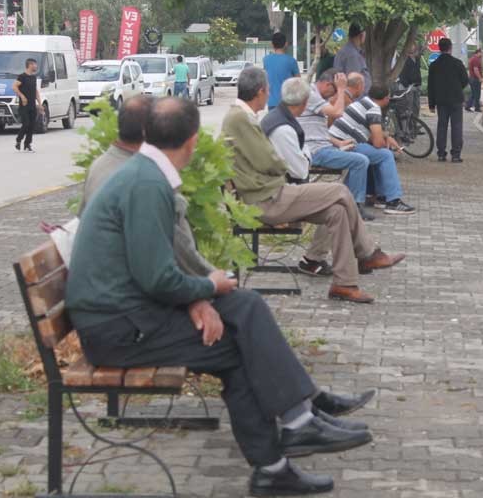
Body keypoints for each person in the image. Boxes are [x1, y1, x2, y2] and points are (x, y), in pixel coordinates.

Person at [67, 97, 375, 497]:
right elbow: (156, 276)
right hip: (118, 330)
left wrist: (201, 298)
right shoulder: (146, 185)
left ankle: (295, 430)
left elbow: (155, 268)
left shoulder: (143, 175)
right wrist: (208, 289)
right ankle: (278, 456)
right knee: (234, 347)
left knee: (244, 306)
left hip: (127, 314)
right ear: (192, 142)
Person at [222, 67, 405, 304]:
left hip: (268, 193)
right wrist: (284, 160)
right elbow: (270, 161)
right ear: (261, 91)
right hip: (265, 199)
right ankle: (368, 253)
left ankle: (344, 284)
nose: (269, 95)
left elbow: (270, 160)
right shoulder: (241, 118)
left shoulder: (248, 117)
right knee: (340, 190)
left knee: (337, 211)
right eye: (268, 91)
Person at [79, 95, 215, 277]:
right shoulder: (145, 178)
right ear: (148, 132)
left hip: (101, 277)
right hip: (126, 287)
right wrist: (211, 284)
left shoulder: (100, 164)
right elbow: (180, 258)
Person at [297, 69, 375, 221]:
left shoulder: (316, 96)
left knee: (358, 155)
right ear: (327, 84)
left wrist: (339, 143)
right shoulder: (310, 95)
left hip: (321, 146)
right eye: (333, 90)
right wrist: (341, 89)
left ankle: (344, 201)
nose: (333, 96)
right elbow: (338, 112)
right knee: (360, 161)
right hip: (314, 151)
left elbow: (318, 130)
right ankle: (355, 207)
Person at [328, 83, 416, 215]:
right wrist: (386, 143)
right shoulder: (373, 109)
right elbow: (377, 142)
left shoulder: (362, 103)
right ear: (386, 98)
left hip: (338, 141)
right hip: (345, 145)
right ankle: (393, 201)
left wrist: (385, 137)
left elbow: (371, 135)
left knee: (375, 153)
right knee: (385, 155)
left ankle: (377, 195)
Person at [427, 38, 468, 163]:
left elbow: (431, 86)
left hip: (441, 101)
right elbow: (465, 80)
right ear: (450, 48)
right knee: (457, 126)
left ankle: (441, 154)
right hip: (456, 99)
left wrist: (431, 104)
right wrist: (457, 88)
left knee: (442, 126)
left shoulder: (434, 65)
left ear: (439, 48)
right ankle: (456, 154)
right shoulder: (458, 63)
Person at [263, 31, 300, 109]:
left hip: (271, 102)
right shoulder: (291, 61)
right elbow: (298, 81)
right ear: (286, 44)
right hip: (288, 102)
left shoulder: (266, 60)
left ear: (272, 45)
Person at [333, 23, 371, 94]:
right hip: (356, 98)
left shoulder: (347, 50)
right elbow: (354, 82)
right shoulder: (352, 55)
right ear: (362, 35)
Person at [13, 58, 41, 152]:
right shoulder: (22, 77)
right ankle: (18, 140)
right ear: (30, 65)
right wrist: (22, 96)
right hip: (24, 105)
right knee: (26, 124)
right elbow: (14, 87)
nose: (36, 66)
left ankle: (27, 144)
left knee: (32, 125)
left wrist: (40, 104)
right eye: (35, 65)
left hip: (32, 105)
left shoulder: (33, 77)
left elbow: (36, 91)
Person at [398, 42, 423, 116]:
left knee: (417, 106)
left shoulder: (417, 58)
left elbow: (422, 48)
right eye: (410, 46)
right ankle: (409, 125)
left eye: (413, 45)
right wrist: (407, 85)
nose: (412, 47)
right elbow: (401, 73)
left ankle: (415, 123)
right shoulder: (404, 59)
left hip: (417, 85)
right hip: (408, 86)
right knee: (409, 106)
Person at [466, 47, 483, 112]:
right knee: (477, 94)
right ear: (478, 52)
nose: (482, 54)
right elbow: (476, 70)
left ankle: (468, 106)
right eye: (482, 53)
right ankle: (477, 108)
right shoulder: (476, 59)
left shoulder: (473, 58)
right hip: (475, 79)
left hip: (472, 78)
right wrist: (480, 78)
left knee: (473, 94)